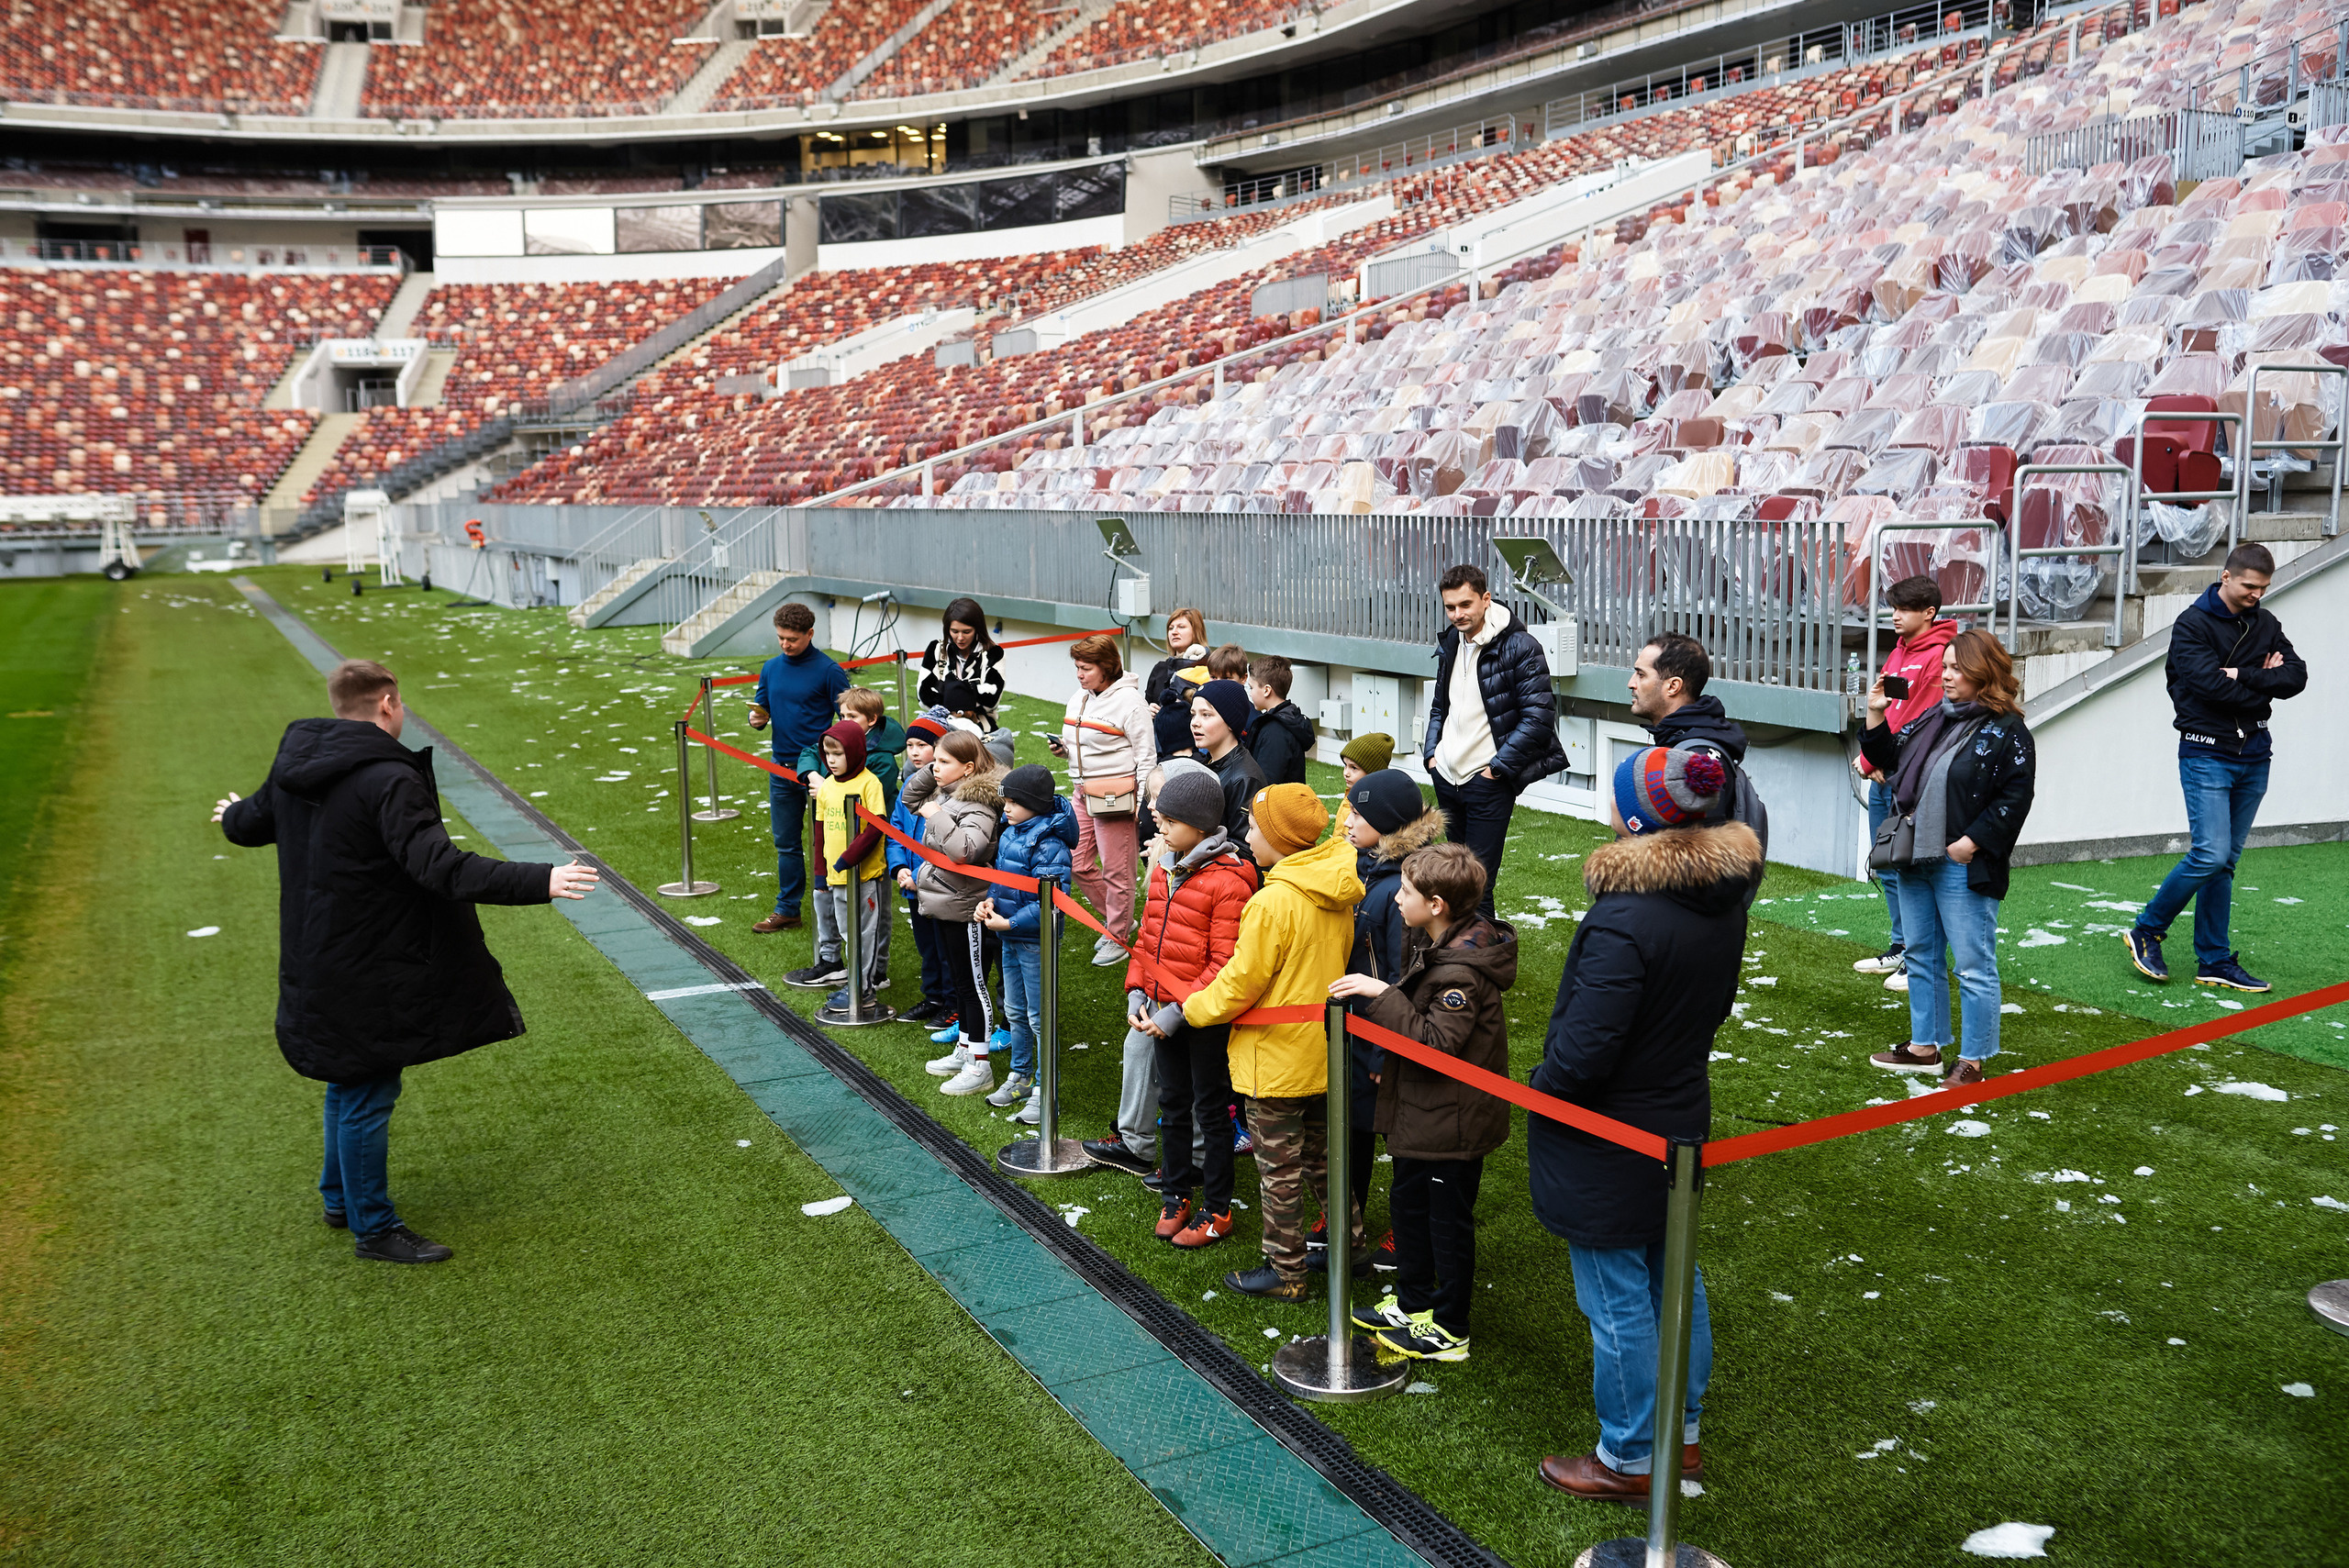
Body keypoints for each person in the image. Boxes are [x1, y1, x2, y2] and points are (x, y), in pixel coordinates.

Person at [213, 659, 598, 1264]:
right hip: (369, 960)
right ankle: (374, 1226)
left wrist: (230, 813)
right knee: (368, 1085)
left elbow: (249, 821)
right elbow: (439, 867)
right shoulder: (388, 777)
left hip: (318, 956)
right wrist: (540, 878)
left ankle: (340, 1200)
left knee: (350, 1078)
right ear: (389, 702)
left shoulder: (299, 760)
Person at [1531, 748, 1763, 1500]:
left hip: (1610, 1128)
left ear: (1636, 819)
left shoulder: (1626, 918)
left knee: (1617, 1290)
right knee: (1673, 1274)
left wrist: (1549, 1084)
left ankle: (1631, 1453)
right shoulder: (1722, 898)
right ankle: (1680, 1433)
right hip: (1676, 1110)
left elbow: (1587, 1046)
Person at [1329, 841, 1516, 1362]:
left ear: (1436, 904)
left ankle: (1450, 1325)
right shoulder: (1432, 942)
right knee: (1410, 1206)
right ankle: (1412, 1302)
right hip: (1424, 1115)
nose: (1396, 900)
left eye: (1407, 892)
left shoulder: (1461, 972)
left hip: (1451, 1123)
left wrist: (1379, 993)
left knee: (1445, 1221)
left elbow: (1436, 1046)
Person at [1182, 784, 1365, 1301]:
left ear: (1280, 840)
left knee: (1279, 1170)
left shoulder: (1273, 900)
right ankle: (1348, 1246)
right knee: (1324, 1158)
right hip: (1319, 1051)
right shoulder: (1335, 890)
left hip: (1274, 1060)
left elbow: (1243, 981)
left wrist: (1193, 1009)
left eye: (1256, 828)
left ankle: (1286, 1270)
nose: (1247, 835)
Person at [2126, 542, 2307, 993]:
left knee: (2225, 862)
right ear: (2226, 577)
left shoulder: (2265, 621)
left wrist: (2241, 675)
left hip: (2255, 754)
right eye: (2249, 586)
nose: (2257, 595)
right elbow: (2206, 688)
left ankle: (2213, 959)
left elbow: (2296, 677)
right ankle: (2147, 928)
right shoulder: (2192, 625)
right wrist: (2261, 680)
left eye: (2264, 588)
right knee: (2210, 853)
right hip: (2206, 751)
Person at [1861, 628, 2036, 1088]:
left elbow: (2016, 797)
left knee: (1973, 963)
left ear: (1985, 672)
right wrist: (1876, 713)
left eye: (1958, 668)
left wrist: (1972, 843)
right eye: (1945, 668)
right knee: (1920, 953)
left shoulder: (2008, 730)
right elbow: (1888, 760)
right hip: (1917, 856)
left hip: (1961, 862)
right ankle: (1926, 1046)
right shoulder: (1934, 717)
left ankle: (1974, 1060)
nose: (1947, 676)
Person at [1105, 768, 1260, 1239]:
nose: (1160, 829)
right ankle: (1176, 1195)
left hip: (1201, 1019)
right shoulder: (1165, 869)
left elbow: (1223, 964)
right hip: (1160, 1012)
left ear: (1199, 825)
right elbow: (1148, 940)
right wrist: (1138, 991)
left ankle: (1217, 1210)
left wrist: (1176, 1013)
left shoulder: (1230, 881)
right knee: (1171, 1103)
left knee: (1210, 1112)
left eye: (1169, 822)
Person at [1314, 767, 1442, 1269]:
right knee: (1353, 1128)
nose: (1347, 820)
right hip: (1356, 1024)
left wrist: (1382, 1050)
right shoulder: (1368, 865)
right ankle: (1347, 1215)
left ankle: (1409, 1232)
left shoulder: (1398, 888)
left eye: (1359, 813)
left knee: (1401, 1136)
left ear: (1386, 824)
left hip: (1381, 1033)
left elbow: (1401, 975)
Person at [1421, 563, 1565, 913]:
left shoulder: (1521, 646)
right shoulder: (1451, 643)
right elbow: (1440, 707)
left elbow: (1539, 718)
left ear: (1486, 599)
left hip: (1487, 782)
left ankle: (1483, 965)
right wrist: (1432, 755)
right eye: (1450, 607)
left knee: (1478, 887)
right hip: (1446, 777)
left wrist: (1497, 770)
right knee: (1452, 882)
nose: (1457, 614)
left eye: (1466, 605)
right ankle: (1453, 960)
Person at [1851, 579, 1956, 992]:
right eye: (1893, 607)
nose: (1894, 615)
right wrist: (1874, 757)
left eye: (1904, 608)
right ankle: (1902, 946)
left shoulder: (1939, 657)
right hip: (1885, 771)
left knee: (1915, 867)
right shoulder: (1899, 651)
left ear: (1928, 612)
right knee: (1889, 862)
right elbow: (1888, 709)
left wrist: (1878, 759)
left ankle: (1922, 958)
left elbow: (1920, 720)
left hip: (1910, 777)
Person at [975, 765, 1077, 1113]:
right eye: (1006, 800)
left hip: (1035, 942)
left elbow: (1052, 904)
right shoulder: (1011, 832)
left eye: (1014, 802)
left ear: (1036, 804)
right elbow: (1003, 880)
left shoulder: (1050, 844)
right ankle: (1019, 1077)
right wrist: (990, 901)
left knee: (1039, 1016)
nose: (1006, 808)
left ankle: (1046, 1089)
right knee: (1015, 1011)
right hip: (1010, 936)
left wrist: (1010, 923)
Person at [1051, 634, 1155, 963]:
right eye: (1077, 668)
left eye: (1086, 668)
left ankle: (1119, 936)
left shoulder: (1131, 703)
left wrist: (1141, 802)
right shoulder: (1079, 697)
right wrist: (1064, 750)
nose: (1079, 675)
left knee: (1117, 870)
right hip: (1082, 792)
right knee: (1077, 861)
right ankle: (1117, 922)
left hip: (1116, 797)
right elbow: (1084, 742)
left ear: (1107, 667)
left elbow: (1146, 757)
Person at [749, 602, 849, 935]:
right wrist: (756, 719)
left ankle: (834, 909)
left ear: (810, 634)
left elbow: (850, 719)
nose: (785, 644)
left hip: (821, 772)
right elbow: (761, 711)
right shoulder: (770, 668)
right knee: (787, 843)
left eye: (791, 638)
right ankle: (788, 909)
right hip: (780, 769)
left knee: (829, 842)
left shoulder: (829, 670)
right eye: (780, 638)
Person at [917, 731, 1007, 1095]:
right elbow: (911, 796)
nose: (934, 768)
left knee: (973, 988)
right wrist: (936, 767)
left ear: (968, 768)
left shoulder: (979, 805)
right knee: (961, 982)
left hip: (967, 907)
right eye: (935, 761)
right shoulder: (952, 791)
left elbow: (965, 850)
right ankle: (966, 1047)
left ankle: (980, 1065)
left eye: (943, 762)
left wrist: (936, 814)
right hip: (948, 903)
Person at [791, 720, 891, 1015]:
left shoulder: (869, 783)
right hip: (835, 876)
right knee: (847, 930)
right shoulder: (828, 786)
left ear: (856, 752)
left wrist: (849, 859)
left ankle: (864, 987)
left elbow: (876, 827)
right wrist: (821, 872)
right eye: (827, 754)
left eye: (838, 754)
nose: (832, 761)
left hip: (863, 876)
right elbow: (820, 830)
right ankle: (854, 981)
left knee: (863, 932)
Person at [889, 715, 956, 1027]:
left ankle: (953, 1002)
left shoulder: (952, 795)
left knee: (947, 948)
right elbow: (896, 831)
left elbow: (949, 845)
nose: (914, 752)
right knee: (926, 945)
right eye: (909, 746)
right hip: (912, 884)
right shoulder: (909, 788)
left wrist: (920, 877)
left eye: (922, 745)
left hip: (940, 887)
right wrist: (900, 867)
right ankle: (934, 997)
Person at [1191, 679, 1266, 841]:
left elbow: (1246, 847)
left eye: (1206, 715)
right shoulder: (1208, 763)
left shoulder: (1244, 779)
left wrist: (1192, 841)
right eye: (1193, 714)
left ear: (1231, 722)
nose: (1195, 723)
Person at [917, 596, 1005, 729]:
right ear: (947, 629)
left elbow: (991, 698)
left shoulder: (993, 652)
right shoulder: (936, 649)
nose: (960, 638)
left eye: (967, 632)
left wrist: (946, 689)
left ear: (977, 629)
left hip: (982, 728)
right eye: (954, 631)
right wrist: (971, 692)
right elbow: (924, 695)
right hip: (942, 727)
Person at [1144, 606, 1212, 760]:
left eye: (1181, 627)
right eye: (1170, 628)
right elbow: (1146, 703)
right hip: (1160, 749)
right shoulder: (1160, 669)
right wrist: (1150, 710)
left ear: (1196, 631)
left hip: (1195, 750)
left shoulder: (1207, 669)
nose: (1174, 632)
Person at [1245, 655, 1316, 787]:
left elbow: (1267, 781)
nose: (1250, 693)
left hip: (1276, 804)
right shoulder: (1286, 719)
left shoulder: (1275, 730)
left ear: (1266, 690)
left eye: (1251, 687)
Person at [838, 685, 907, 807]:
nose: (845, 722)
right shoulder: (842, 740)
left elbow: (866, 800)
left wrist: (826, 791)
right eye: (842, 716)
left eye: (852, 716)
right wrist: (813, 775)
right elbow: (812, 752)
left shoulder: (884, 760)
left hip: (873, 822)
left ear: (871, 719)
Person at [1331, 731, 1394, 841]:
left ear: (1372, 772)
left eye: (1354, 768)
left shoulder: (1371, 808)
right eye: (1345, 765)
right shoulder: (1350, 794)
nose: (1346, 772)